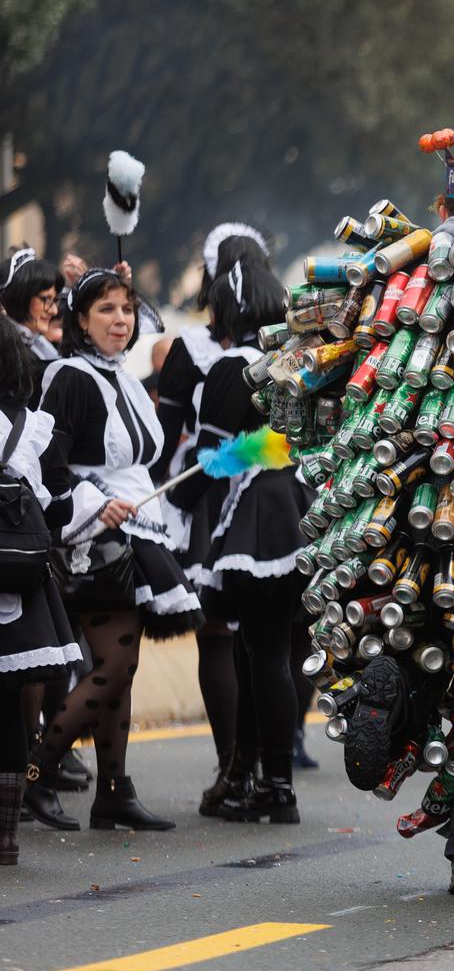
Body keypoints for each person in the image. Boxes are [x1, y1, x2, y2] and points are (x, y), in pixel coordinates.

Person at [25, 266, 203, 831]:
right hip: (93, 534)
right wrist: (94, 502)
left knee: (120, 669)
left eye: (126, 309)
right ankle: (35, 772)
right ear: (79, 319)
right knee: (116, 663)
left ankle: (113, 790)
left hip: (137, 528)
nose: (120, 320)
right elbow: (47, 466)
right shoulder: (69, 376)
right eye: (105, 309)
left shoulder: (124, 378)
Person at [170, 233, 312, 823]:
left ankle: (273, 784)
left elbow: (213, 457)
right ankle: (255, 777)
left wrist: (170, 503)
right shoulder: (299, 360)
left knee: (265, 651)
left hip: (258, 513)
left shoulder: (233, 365)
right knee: (265, 650)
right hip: (301, 508)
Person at [156, 223, 274, 814]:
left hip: (217, 494)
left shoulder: (235, 350)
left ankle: (241, 766)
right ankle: (250, 766)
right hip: (217, 493)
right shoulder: (276, 347)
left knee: (230, 637)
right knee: (247, 639)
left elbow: (166, 438)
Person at [0, 321, 85, 864]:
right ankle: (5, 836)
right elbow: (56, 512)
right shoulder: (33, 426)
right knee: (8, 707)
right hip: (16, 580)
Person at [2, 246, 64, 390]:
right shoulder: (6, 352)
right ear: (22, 296)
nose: (54, 310)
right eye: (46, 299)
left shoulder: (40, 345)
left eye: (55, 300)